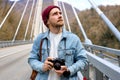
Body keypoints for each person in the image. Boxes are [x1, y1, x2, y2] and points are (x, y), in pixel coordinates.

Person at [28, 5, 88, 80]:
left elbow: (83, 60)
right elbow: (32, 59)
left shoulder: (74, 39)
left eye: (60, 13)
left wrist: (69, 70)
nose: (60, 16)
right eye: (55, 14)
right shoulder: (40, 39)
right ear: (47, 21)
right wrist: (42, 66)